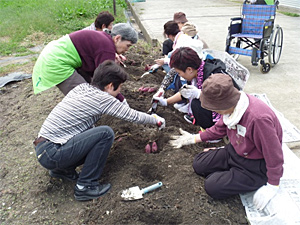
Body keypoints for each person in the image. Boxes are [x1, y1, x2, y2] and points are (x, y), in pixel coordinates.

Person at [33, 60, 166, 201]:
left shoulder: (82, 88)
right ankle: (85, 187)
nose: (120, 91)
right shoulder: (103, 99)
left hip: (44, 149)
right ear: (109, 86)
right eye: (119, 87)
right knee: (105, 134)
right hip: (54, 153)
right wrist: (155, 119)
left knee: (94, 134)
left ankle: (62, 170)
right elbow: (132, 116)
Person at [169, 73, 283, 211]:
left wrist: (273, 185)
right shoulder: (231, 109)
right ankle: (231, 172)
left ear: (224, 104)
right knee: (199, 163)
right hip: (234, 151)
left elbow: (274, 154)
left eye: (214, 108)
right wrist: (193, 138)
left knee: (212, 186)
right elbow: (219, 129)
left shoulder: (258, 119)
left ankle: (251, 179)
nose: (214, 111)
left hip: (254, 166)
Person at [32, 23, 137, 95]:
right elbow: (106, 80)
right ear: (117, 38)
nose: (127, 50)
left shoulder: (104, 39)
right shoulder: (107, 48)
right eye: (128, 45)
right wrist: (121, 101)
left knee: (91, 89)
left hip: (54, 55)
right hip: (57, 62)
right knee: (84, 96)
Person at [153, 47, 240, 128]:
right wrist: (165, 102)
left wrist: (200, 95)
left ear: (189, 70)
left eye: (179, 73)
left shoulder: (212, 77)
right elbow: (186, 92)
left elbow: (225, 100)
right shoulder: (198, 71)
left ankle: (212, 129)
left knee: (196, 104)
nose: (180, 76)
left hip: (230, 111)